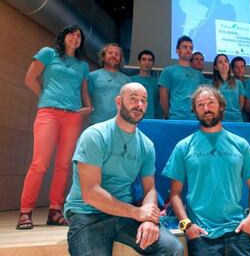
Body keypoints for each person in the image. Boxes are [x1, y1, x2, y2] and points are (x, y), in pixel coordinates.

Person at [64, 83, 183, 255]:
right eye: (133, 99)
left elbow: (149, 188)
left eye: (143, 100)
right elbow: (90, 193)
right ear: (119, 102)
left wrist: (149, 220)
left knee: (173, 249)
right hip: (88, 214)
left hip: (126, 216)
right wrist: (137, 212)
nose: (139, 105)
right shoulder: (95, 135)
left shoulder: (146, 145)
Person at [162, 85, 250, 256]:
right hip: (201, 236)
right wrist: (187, 226)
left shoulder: (241, 145)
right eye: (200, 104)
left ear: (221, 106)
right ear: (195, 110)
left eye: (211, 102)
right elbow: (175, 194)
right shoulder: (183, 147)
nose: (206, 108)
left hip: (238, 233)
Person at [17, 24, 92, 230]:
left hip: (73, 117)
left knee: (64, 165)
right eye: (72, 34)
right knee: (39, 163)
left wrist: (87, 107)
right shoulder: (48, 53)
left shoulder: (82, 65)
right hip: (48, 112)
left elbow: (83, 90)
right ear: (63, 36)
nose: (75, 38)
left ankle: (55, 210)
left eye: (79, 36)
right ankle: (25, 212)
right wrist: (46, 97)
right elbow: (30, 78)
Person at [158, 36, 207, 120]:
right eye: (185, 47)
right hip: (176, 117)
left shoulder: (199, 75)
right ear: (177, 51)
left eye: (191, 48)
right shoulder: (168, 71)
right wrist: (169, 114)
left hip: (195, 119)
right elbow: (163, 97)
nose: (188, 50)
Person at [88, 43, 130, 125]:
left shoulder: (128, 80)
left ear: (120, 59)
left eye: (117, 54)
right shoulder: (92, 76)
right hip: (96, 123)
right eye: (110, 53)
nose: (113, 55)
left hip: (119, 124)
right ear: (103, 57)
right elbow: (85, 99)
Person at [212, 54, 245, 122]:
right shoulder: (211, 84)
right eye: (220, 62)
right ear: (216, 67)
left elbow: (241, 103)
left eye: (226, 61)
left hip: (236, 119)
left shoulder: (238, 83)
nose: (224, 64)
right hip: (219, 120)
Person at [130, 49, 161, 119]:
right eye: (144, 59)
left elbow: (158, 104)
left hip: (153, 120)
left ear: (153, 63)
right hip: (133, 119)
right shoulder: (130, 81)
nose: (147, 62)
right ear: (138, 62)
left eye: (150, 60)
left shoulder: (157, 83)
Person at [231, 56, 250, 122]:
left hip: (249, 120)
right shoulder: (229, 84)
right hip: (233, 119)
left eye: (242, 67)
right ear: (232, 69)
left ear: (245, 68)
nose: (240, 69)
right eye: (237, 67)